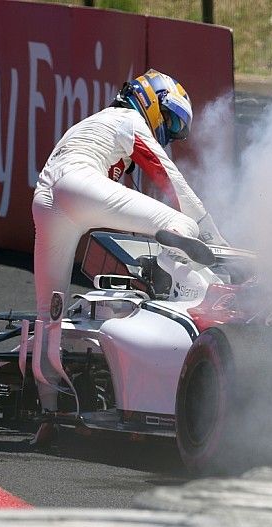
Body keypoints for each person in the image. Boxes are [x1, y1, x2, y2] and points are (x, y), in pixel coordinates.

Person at [30, 69, 228, 440]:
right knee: (181, 226)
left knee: (48, 314)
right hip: (77, 185)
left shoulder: (97, 121)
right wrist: (219, 247)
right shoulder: (129, 121)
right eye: (168, 120)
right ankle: (203, 294)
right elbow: (177, 189)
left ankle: (49, 415)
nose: (166, 131)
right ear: (152, 102)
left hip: (45, 196)